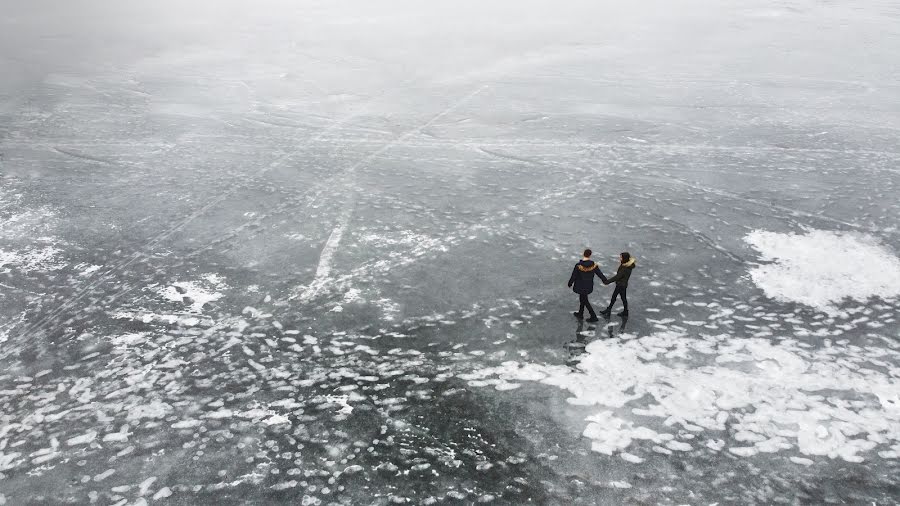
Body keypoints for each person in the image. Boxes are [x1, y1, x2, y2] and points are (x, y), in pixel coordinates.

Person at [567, 249, 607, 322]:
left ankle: (593, 316)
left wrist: (570, 283)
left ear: (583, 254)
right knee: (583, 299)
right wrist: (605, 280)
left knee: (584, 300)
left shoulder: (578, 265)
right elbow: (599, 274)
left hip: (580, 285)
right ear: (590, 255)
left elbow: (574, 276)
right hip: (588, 285)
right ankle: (580, 313)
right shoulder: (594, 265)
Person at [601, 252, 636, 317]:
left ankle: (609, 310)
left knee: (615, 297)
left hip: (621, 285)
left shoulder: (625, 268)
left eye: (621, 257)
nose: (620, 258)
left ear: (624, 258)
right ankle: (625, 312)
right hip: (623, 284)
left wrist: (607, 281)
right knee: (622, 298)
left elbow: (617, 277)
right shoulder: (626, 265)